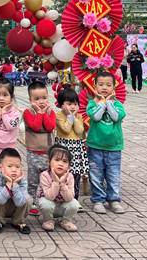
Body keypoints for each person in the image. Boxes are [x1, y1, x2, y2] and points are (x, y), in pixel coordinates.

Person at [86, 71, 127, 214]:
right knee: (96, 175)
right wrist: (102, 103)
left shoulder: (118, 105)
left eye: (109, 85)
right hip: (95, 146)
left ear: (114, 87)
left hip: (114, 147)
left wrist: (109, 102)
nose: (104, 87)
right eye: (101, 84)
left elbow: (116, 117)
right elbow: (96, 117)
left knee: (113, 175)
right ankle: (98, 200)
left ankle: (113, 199)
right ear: (95, 86)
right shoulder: (92, 104)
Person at [22, 80, 56, 216]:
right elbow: (35, 126)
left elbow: (50, 127)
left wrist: (44, 113)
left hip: (48, 152)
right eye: (36, 99)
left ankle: (46, 200)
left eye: (44, 98)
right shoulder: (28, 112)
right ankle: (32, 202)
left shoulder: (51, 112)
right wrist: (40, 113)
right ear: (30, 100)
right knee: (33, 179)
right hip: (33, 151)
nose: (41, 101)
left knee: (47, 178)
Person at [37, 144, 80, 232]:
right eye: (57, 160)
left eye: (65, 161)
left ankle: (65, 221)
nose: (60, 164)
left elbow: (69, 198)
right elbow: (49, 197)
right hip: (49, 205)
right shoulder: (45, 175)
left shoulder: (70, 176)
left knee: (74, 204)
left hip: (62, 206)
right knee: (45, 203)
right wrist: (56, 182)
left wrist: (63, 184)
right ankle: (48, 220)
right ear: (49, 162)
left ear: (69, 166)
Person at [54, 88, 88, 201]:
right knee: (63, 173)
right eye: (69, 104)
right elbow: (66, 129)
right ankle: (62, 198)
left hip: (76, 149)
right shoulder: (59, 115)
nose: (73, 107)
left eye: (75, 104)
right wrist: (70, 117)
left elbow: (79, 131)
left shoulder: (79, 116)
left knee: (75, 174)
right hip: (64, 148)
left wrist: (74, 118)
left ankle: (75, 199)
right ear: (61, 105)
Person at [0, 148, 31, 234]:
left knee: (28, 199)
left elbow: (20, 203)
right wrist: (8, 184)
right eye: (10, 166)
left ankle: (18, 221)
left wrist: (14, 184)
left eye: (17, 167)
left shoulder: (22, 179)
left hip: (16, 206)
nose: (14, 170)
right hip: (2, 207)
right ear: (0, 167)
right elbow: (0, 200)